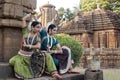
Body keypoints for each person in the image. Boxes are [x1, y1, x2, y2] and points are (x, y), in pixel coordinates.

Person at [9, 13, 63, 79]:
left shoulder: (38, 37)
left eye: (40, 27)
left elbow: (38, 46)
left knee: (47, 55)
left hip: (32, 56)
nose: (39, 29)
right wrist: (29, 14)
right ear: (32, 27)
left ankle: (54, 73)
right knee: (12, 61)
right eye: (37, 27)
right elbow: (23, 19)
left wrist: (29, 46)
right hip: (22, 55)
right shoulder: (25, 32)